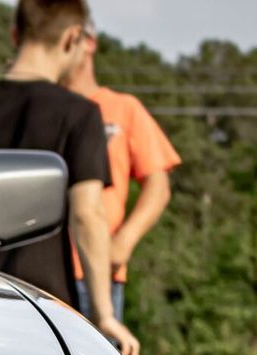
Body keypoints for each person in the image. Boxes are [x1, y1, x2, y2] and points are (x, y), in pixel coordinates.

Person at [0, 0, 141, 355]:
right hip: (47, 311)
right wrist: (104, 314)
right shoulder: (79, 114)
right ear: (72, 39)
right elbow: (87, 215)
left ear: (15, 34)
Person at [64, 20, 182, 328]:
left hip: (99, 273)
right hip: (39, 272)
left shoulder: (123, 108)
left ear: (88, 42)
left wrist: (123, 243)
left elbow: (158, 185)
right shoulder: (43, 107)